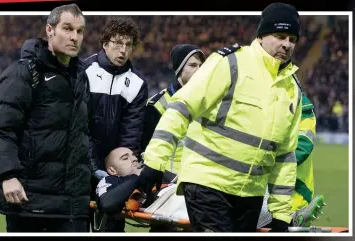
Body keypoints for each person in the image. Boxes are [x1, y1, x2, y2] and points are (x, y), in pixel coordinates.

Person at [139, 2, 303, 232]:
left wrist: (281, 215)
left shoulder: (292, 90)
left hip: (250, 195)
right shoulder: (230, 62)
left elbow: (285, 156)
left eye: (292, 39)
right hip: (207, 183)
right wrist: (154, 163)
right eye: (280, 35)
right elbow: (181, 107)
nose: (286, 44)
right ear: (262, 35)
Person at [0, 4, 92, 232]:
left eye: (80, 31)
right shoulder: (23, 73)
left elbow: (82, 138)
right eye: (67, 28)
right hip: (28, 202)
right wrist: (7, 176)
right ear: (50, 30)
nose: (74, 37)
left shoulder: (81, 77)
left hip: (72, 207)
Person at [82, 16, 148, 232]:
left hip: (114, 171)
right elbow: (79, 126)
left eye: (128, 45)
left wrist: (119, 173)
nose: (123, 50)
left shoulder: (137, 84)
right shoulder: (84, 71)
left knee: (112, 228)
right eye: (117, 43)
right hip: (80, 165)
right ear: (105, 43)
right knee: (77, 226)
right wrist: (93, 167)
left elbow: (131, 135)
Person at [257, 93, 326, 229]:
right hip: (269, 189)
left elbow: (303, 144)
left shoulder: (300, 103)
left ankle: (294, 220)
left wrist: (267, 161)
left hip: (293, 191)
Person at [141, 44, 206, 174]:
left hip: (200, 179)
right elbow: (145, 150)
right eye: (193, 65)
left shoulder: (208, 101)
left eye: (201, 66)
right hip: (168, 180)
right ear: (179, 69)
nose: (199, 70)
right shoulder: (157, 105)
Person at [95, 147, 176, 232]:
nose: (134, 159)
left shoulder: (154, 173)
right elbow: (107, 204)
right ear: (112, 170)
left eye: (134, 155)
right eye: (125, 158)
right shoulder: (112, 180)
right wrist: (137, 177)